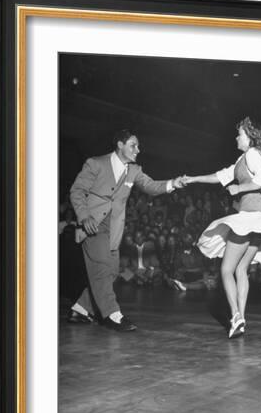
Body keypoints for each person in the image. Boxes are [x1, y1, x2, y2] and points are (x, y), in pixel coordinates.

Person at [183, 116, 261, 338]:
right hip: (257, 223)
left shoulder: (252, 154)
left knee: (226, 270)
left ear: (249, 137)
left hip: (250, 220)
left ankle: (236, 316)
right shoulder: (243, 159)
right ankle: (240, 318)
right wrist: (192, 179)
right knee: (240, 270)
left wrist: (238, 190)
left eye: (239, 134)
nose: (236, 137)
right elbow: (219, 176)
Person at [69, 129, 185, 332]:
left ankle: (80, 308)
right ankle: (113, 315)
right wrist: (84, 216)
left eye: (138, 146)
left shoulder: (134, 170)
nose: (138, 150)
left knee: (112, 272)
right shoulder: (95, 163)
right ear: (120, 145)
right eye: (133, 145)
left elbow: (150, 186)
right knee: (102, 270)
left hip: (113, 228)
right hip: (92, 225)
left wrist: (172, 183)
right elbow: (77, 191)